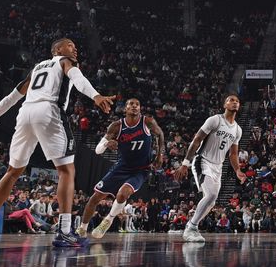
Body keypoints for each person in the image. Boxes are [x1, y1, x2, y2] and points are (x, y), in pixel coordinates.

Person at [0, 38, 114, 247]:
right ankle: (63, 231)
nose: (75, 49)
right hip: (48, 111)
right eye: (70, 45)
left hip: (25, 113)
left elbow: (11, 98)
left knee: (12, 172)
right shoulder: (64, 62)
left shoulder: (36, 68)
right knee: (66, 170)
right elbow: (77, 77)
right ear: (58, 50)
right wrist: (96, 95)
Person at [78, 98, 164, 238]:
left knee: (123, 194)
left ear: (140, 108)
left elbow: (160, 134)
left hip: (141, 169)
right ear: (125, 109)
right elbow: (98, 150)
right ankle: (82, 229)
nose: (134, 106)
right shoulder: (116, 126)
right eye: (131, 104)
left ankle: (109, 220)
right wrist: (107, 144)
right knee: (95, 198)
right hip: (121, 167)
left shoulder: (147, 122)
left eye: (137, 104)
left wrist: (160, 154)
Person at [174, 94, 247, 242]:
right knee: (212, 195)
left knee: (211, 201)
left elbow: (233, 154)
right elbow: (196, 140)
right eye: (231, 100)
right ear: (225, 105)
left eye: (237, 101)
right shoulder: (215, 120)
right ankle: (191, 227)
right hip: (203, 161)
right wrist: (185, 163)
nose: (235, 103)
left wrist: (238, 170)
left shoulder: (238, 130)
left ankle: (193, 226)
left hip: (218, 167)